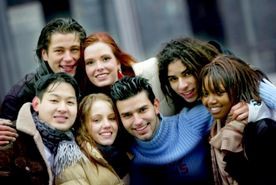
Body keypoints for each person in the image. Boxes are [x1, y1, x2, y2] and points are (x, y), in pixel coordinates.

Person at [110, 76, 214, 185]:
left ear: (155, 106)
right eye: (127, 115)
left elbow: (227, 100)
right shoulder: (123, 152)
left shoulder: (189, 122)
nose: (137, 121)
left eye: (142, 110)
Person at [0, 17, 86, 145]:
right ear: (44, 54)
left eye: (74, 49)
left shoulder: (89, 79)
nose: (68, 58)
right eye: (59, 51)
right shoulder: (20, 94)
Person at [200, 55, 276, 185]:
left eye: (219, 93)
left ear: (236, 90)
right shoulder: (215, 132)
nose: (210, 101)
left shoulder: (262, 129)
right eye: (205, 94)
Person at [0, 72, 82, 184]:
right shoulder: (9, 137)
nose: (63, 108)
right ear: (36, 104)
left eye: (70, 102)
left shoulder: (80, 142)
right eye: (54, 100)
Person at [58, 93, 131, 185]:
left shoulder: (125, 153)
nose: (107, 125)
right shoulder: (72, 162)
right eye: (96, 120)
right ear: (83, 125)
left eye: (112, 118)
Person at [79, 32, 137, 97]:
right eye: (90, 62)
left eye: (106, 59)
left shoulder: (140, 88)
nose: (99, 67)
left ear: (118, 62)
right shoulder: (82, 102)